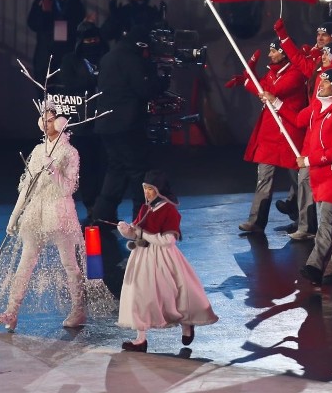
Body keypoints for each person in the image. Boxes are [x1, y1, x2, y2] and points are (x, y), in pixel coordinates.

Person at [0, 106, 88, 331]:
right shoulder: (37, 151)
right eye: (43, 121)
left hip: (58, 213)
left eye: (50, 121)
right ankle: (11, 313)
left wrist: (53, 170)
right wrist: (14, 216)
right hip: (36, 213)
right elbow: (27, 188)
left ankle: (78, 310)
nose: (45, 125)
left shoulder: (69, 152)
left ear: (59, 123)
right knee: (24, 264)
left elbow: (67, 188)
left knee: (69, 264)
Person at [262, 68, 332, 287]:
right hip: (320, 172)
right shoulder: (317, 105)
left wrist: (308, 160)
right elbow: (297, 119)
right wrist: (274, 101)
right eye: (321, 81)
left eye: (325, 82)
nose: (320, 84)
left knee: (326, 220)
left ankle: (315, 266)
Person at [91, 24, 162, 298]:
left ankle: (101, 215)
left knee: (115, 168)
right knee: (137, 173)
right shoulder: (131, 58)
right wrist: (159, 80)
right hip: (126, 125)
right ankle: (140, 222)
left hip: (105, 125)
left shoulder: (109, 56)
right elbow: (144, 90)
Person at [116, 170, 218, 352]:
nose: (146, 193)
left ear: (159, 190)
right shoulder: (145, 208)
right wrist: (126, 231)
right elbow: (137, 230)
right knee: (138, 295)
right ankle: (140, 338)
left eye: (150, 189)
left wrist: (141, 233)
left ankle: (186, 324)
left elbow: (167, 241)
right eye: (145, 188)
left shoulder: (169, 210)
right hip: (142, 257)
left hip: (163, 259)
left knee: (173, 294)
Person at [230, 37, 307, 233]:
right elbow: (259, 86)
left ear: (284, 53)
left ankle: (301, 221)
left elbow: (267, 91)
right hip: (270, 134)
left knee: (297, 180)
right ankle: (256, 223)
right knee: (263, 178)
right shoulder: (273, 74)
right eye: (270, 51)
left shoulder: (295, 74)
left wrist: (248, 77)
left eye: (274, 51)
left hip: (290, 134)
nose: (270, 54)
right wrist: (248, 75)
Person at [58, 21, 109, 217]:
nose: (92, 43)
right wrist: (95, 78)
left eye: (95, 39)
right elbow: (69, 84)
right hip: (82, 121)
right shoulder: (70, 60)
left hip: (105, 118)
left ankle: (104, 208)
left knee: (105, 164)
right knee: (86, 165)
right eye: (88, 40)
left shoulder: (106, 58)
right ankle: (91, 205)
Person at [26, 0, 88, 84]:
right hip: (47, 53)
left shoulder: (76, 1)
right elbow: (32, 23)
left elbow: (79, 25)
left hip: (68, 52)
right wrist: (45, 13)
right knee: (46, 93)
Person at [101, 0, 167, 43]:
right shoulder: (123, 12)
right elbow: (106, 35)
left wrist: (161, 19)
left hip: (148, 50)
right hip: (125, 50)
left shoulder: (152, 12)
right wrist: (113, 17)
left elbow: (163, 36)